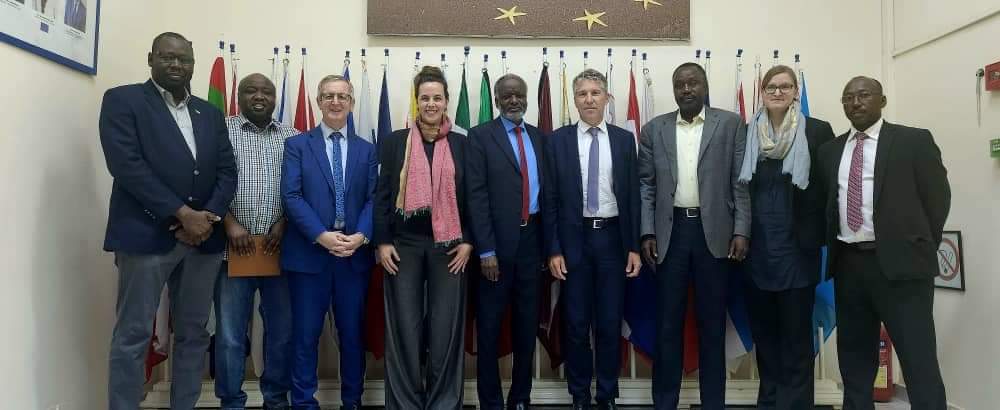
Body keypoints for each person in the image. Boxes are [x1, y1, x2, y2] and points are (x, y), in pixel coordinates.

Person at [99, 32, 236, 410]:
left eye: (184, 59)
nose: (176, 64)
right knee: (133, 334)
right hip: (146, 236)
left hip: (203, 240)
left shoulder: (209, 113)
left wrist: (207, 218)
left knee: (194, 333)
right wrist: (181, 214)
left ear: (193, 64)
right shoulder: (123, 100)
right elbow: (126, 165)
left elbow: (227, 170)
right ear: (151, 59)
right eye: (167, 57)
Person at [818, 76, 950, 410]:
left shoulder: (913, 141)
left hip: (903, 268)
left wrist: (918, 246)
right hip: (849, 266)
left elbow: (938, 199)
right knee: (855, 362)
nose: (856, 102)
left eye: (864, 95)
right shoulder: (830, 151)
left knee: (918, 360)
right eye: (848, 98)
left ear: (882, 100)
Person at [638, 62, 749, 410]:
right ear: (674, 90)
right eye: (680, 84)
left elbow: (740, 182)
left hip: (714, 235)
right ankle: (664, 403)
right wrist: (647, 231)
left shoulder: (730, 124)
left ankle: (713, 403)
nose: (687, 89)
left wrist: (741, 229)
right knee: (667, 326)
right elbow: (646, 186)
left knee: (712, 326)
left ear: (705, 86)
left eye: (693, 83)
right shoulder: (654, 129)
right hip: (670, 235)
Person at [375, 65, 474, 410]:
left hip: (451, 248)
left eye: (437, 98)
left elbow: (474, 197)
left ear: (447, 102)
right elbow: (382, 195)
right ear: (416, 101)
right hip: (403, 247)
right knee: (405, 327)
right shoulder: (395, 142)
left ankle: (443, 403)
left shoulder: (462, 144)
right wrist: (382, 242)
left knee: (445, 329)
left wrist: (469, 240)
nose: (431, 104)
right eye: (425, 97)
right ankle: (405, 403)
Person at [736, 65, 835, 409]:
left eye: (785, 86)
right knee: (765, 339)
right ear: (762, 93)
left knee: (796, 340)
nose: (778, 92)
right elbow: (738, 189)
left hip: (798, 251)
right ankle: (770, 402)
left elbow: (829, 188)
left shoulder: (817, 131)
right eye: (771, 87)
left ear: (795, 92)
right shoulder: (747, 133)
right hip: (757, 252)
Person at [543, 68, 641, 410]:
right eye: (582, 94)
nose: (589, 99)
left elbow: (632, 197)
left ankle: (607, 395)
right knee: (575, 323)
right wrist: (554, 249)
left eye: (595, 93)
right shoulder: (558, 141)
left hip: (613, 240)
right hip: (575, 241)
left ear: (606, 98)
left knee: (610, 323)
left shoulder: (624, 140)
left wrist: (633, 247)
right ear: (574, 99)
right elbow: (550, 199)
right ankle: (580, 395)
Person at [281, 74, 377, 410]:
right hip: (309, 256)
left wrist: (361, 236)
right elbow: (291, 197)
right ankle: (303, 403)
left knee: (352, 336)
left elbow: (374, 198)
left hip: (353, 257)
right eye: (328, 96)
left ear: (352, 103)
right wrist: (321, 236)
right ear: (318, 102)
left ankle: (352, 401)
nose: (336, 102)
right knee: (305, 336)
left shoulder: (367, 149)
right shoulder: (297, 146)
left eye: (342, 96)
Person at [214, 73, 298, 410]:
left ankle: (275, 400)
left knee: (282, 333)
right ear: (239, 95)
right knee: (231, 336)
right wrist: (229, 223)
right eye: (251, 90)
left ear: (275, 98)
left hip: (280, 250)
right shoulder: (220, 130)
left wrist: (285, 222)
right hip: (232, 250)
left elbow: (303, 187)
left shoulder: (293, 137)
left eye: (266, 91)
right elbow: (205, 182)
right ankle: (231, 402)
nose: (259, 96)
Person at [466, 73, 546, 410]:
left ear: (526, 98)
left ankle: (520, 398)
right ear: (497, 100)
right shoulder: (480, 136)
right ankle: (491, 402)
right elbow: (476, 195)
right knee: (489, 328)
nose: (514, 100)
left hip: (533, 243)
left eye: (519, 94)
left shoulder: (539, 137)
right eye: (507, 95)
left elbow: (548, 195)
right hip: (495, 248)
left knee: (527, 327)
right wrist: (486, 250)